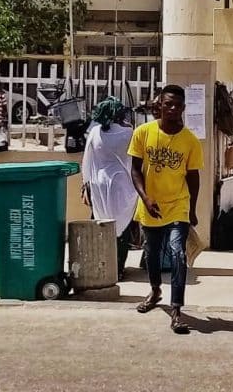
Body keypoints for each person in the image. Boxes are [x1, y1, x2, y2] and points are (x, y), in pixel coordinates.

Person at [129, 85, 203, 334]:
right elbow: (135, 169)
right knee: (151, 254)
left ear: (183, 108)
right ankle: (155, 290)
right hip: (151, 204)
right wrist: (145, 197)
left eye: (177, 105)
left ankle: (177, 310)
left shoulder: (190, 141)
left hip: (178, 206)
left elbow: (193, 178)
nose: (172, 109)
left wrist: (192, 209)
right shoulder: (143, 133)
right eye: (168, 104)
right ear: (159, 105)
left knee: (177, 253)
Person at [82, 97, 137, 280]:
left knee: (100, 224)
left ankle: (101, 264)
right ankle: (118, 268)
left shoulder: (95, 132)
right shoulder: (128, 133)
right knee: (122, 227)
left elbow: (87, 160)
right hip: (122, 185)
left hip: (98, 184)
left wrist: (86, 185)